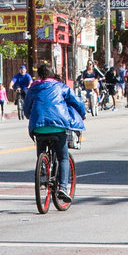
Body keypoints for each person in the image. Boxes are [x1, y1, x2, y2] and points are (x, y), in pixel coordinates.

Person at [23, 63, 87, 199]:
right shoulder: (61, 86)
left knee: (41, 151)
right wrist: (83, 114)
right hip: (58, 126)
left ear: (39, 75)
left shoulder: (33, 88)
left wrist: (31, 116)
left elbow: (26, 108)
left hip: (38, 127)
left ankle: (43, 175)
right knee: (63, 157)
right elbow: (77, 102)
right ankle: (63, 187)